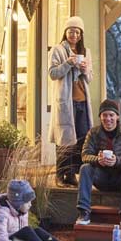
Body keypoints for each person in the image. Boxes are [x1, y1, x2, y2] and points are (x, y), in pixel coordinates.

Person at [76, 99, 121, 227]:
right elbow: (85, 155)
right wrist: (97, 160)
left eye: (111, 115)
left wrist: (116, 160)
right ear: (100, 117)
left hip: (120, 179)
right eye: (104, 115)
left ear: (117, 116)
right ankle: (83, 211)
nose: (108, 119)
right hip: (101, 178)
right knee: (85, 168)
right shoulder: (93, 133)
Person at [48, 16, 94, 187]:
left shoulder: (86, 52)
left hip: (82, 100)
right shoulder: (57, 50)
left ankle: (73, 174)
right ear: (65, 32)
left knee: (82, 139)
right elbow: (53, 73)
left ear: (81, 35)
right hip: (65, 102)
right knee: (65, 139)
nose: (73, 34)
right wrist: (68, 63)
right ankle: (60, 175)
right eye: (71, 31)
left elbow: (90, 78)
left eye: (77, 32)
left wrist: (84, 70)